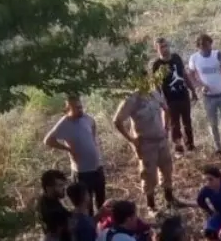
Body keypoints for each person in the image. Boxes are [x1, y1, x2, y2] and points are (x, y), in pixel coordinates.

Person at [114, 78, 181, 212]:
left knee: (167, 170)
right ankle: (151, 206)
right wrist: (132, 139)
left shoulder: (154, 93)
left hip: (161, 140)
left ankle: (170, 199)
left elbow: (165, 109)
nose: (145, 82)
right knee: (149, 175)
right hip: (146, 143)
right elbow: (117, 120)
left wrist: (166, 128)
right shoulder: (132, 99)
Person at [43, 94, 105, 211]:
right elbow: (48, 140)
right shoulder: (64, 123)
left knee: (101, 201)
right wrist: (68, 149)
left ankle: (102, 227)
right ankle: (89, 227)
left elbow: (93, 124)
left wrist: (93, 141)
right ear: (68, 109)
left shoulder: (86, 118)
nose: (80, 109)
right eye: (77, 108)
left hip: (97, 168)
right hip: (82, 171)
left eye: (81, 106)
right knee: (86, 205)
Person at [188, 33, 221, 154]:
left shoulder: (217, 54)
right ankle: (218, 147)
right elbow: (190, 75)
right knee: (213, 123)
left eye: (207, 45)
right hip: (208, 97)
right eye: (202, 46)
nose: (205, 48)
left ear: (211, 44)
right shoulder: (194, 58)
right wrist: (200, 86)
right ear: (198, 47)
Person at [151, 37, 196, 155]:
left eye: (166, 46)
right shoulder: (157, 65)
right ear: (156, 49)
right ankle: (178, 150)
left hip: (183, 95)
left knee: (187, 122)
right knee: (174, 125)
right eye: (162, 47)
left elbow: (184, 75)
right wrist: (160, 101)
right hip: (170, 99)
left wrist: (193, 90)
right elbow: (156, 85)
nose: (165, 49)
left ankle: (190, 147)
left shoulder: (176, 58)